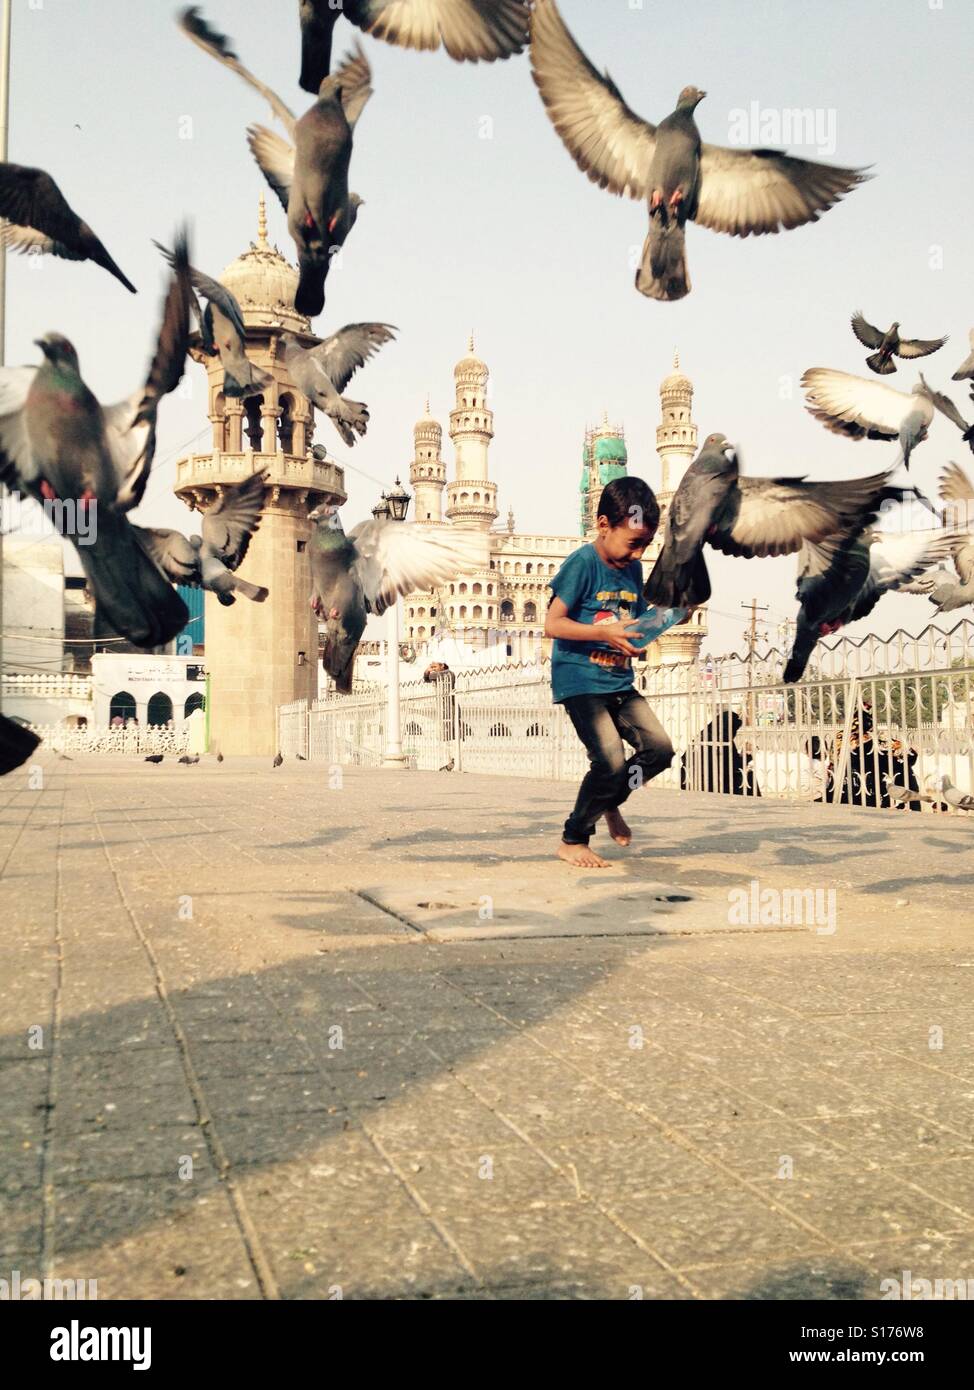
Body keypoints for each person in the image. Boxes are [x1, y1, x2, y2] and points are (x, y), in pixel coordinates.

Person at [545, 477, 679, 868]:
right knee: (609, 761)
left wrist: (646, 631)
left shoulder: (632, 572)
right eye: (632, 543)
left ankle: (611, 800)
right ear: (603, 525)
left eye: (645, 546)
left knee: (660, 751)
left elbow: (627, 623)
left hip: (619, 681)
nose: (638, 554)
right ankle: (573, 838)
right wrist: (602, 633)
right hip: (580, 680)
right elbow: (553, 624)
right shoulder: (582, 563)